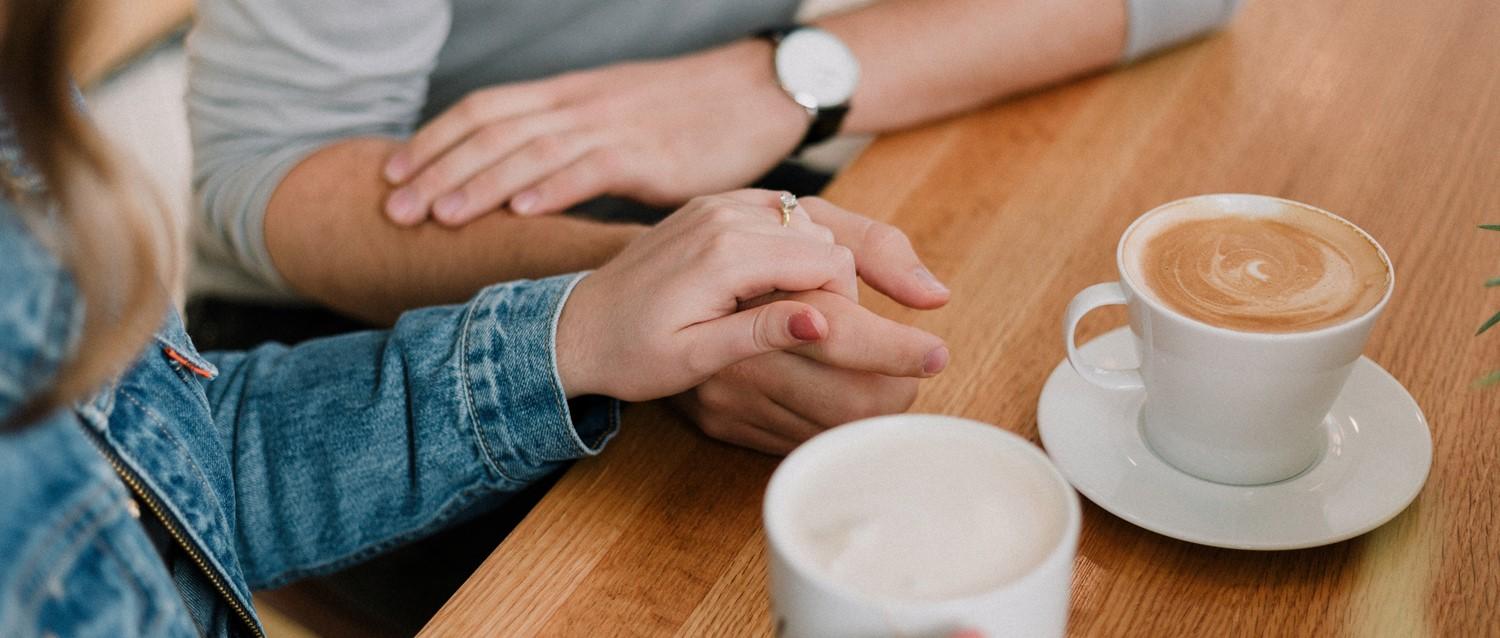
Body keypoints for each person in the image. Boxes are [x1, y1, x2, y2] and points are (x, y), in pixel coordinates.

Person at [0, 1, 947, 635]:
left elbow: (178, 475)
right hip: (324, 304)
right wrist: (617, 280)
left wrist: (574, 330)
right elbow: (266, 172)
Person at [187, 0, 1242, 453]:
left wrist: (782, 78)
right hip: (357, 313)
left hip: (705, 197)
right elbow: (262, 178)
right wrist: (630, 294)